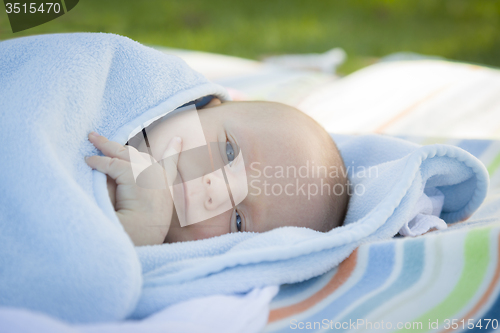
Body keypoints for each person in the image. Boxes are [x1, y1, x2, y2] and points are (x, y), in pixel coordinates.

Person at [85, 97, 350, 245]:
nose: (216, 191)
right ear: (205, 105)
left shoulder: (141, 258)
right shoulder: (108, 87)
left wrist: (134, 232)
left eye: (238, 221)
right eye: (230, 152)